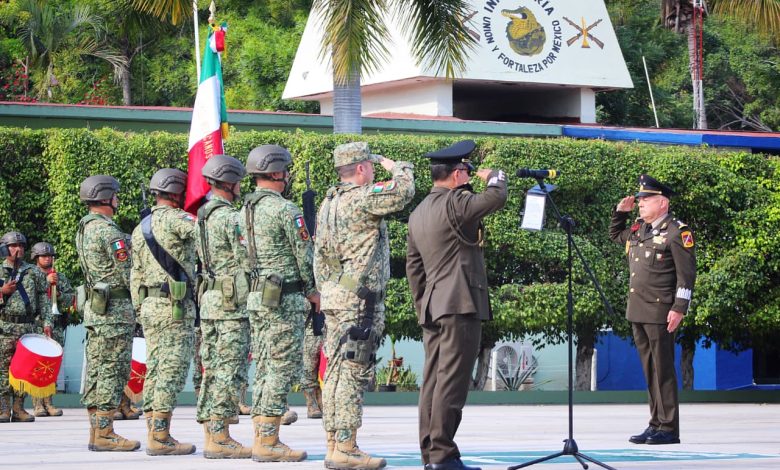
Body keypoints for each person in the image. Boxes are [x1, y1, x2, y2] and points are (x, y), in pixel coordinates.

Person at [406, 140, 507, 470]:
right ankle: (442, 454)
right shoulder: (458, 201)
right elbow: (495, 197)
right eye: (466, 170)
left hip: (435, 305)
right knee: (452, 381)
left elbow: (414, 268)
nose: (469, 175)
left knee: (433, 380)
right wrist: (496, 176)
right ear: (457, 174)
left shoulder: (419, 212)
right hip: (460, 303)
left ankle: (430, 452)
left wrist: (424, 305)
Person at [314, 141, 414, 470]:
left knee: (336, 373)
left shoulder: (328, 203)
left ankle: (333, 444)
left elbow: (320, 259)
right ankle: (346, 447)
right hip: (358, 302)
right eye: (370, 166)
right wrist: (398, 166)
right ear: (361, 169)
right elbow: (403, 192)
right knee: (354, 372)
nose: (372, 171)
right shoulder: (362, 198)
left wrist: (327, 291)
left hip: (335, 297)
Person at [239, 144, 319, 462]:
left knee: (264, 369)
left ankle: (261, 435)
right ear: (275, 173)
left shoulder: (243, 210)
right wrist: (313, 291)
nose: (287, 177)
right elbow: (304, 255)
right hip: (284, 297)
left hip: (257, 296)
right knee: (281, 368)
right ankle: (269, 442)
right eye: (284, 171)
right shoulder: (286, 211)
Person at [609, 174, 696, 446]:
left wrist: (679, 308)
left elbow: (687, 276)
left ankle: (669, 428)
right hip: (637, 310)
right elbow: (615, 235)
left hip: (661, 312)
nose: (640, 204)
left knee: (663, 370)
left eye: (646, 200)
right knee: (650, 371)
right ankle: (656, 423)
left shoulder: (677, 232)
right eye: (640, 200)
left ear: (662, 203)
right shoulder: (639, 230)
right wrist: (619, 214)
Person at [130, 168, 197, 455]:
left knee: (156, 368)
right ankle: (160, 437)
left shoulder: (139, 227)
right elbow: (207, 233)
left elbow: (135, 274)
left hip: (149, 307)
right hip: (175, 307)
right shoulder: (177, 220)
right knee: (172, 369)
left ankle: (153, 429)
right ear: (177, 192)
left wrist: (139, 307)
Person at [75, 175, 140, 451]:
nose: (117, 199)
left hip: (95, 310)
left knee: (97, 370)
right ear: (106, 197)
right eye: (114, 195)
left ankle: (95, 431)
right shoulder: (109, 232)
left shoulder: (84, 228)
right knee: (113, 370)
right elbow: (128, 274)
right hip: (115, 311)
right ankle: (105, 433)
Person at [195, 154, 253, 459]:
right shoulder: (231, 217)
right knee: (229, 370)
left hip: (211, 300)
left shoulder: (204, 215)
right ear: (229, 182)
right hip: (231, 303)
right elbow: (246, 259)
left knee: (213, 369)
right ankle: (220, 437)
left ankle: (211, 434)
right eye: (239, 181)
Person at [0, 231, 51, 423]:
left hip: (27, 328)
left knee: (24, 370)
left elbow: (44, 299)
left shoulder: (33, 272)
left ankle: (19, 408)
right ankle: (3, 409)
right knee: (3, 370)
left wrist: (47, 322)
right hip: (4, 327)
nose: (18, 249)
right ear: (5, 248)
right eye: (13, 246)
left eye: (21, 245)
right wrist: (2, 292)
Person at [30, 241, 75, 418]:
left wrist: (58, 292)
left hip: (55, 324)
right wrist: (45, 283)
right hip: (36, 324)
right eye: (43, 256)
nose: (47, 258)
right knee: (36, 364)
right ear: (36, 258)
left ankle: (49, 402)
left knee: (52, 365)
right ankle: (37, 404)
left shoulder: (59, 276)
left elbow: (70, 299)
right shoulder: (31, 275)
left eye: (49, 256)